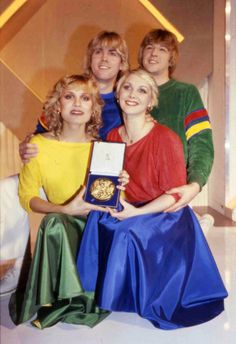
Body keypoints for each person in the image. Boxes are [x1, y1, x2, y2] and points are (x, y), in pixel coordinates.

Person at [77, 69, 228, 330]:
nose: (132, 94)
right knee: (98, 218)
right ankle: (97, 291)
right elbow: (114, 185)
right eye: (127, 88)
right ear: (117, 94)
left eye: (142, 90)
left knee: (127, 229)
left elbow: (174, 197)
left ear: (151, 102)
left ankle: (137, 295)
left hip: (167, 214)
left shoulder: (165, 139)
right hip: (134, 205)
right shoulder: (113, 136)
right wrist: (118, 191)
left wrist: (134, 213)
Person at [0, 31, 129, 296]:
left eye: (112, 53)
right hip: (56, 177)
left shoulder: (127, 101)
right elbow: (42, 136)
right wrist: (28, 144)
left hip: (101, 186)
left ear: (123, 62)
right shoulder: (70, 90)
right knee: (6, 192)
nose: (104, 58)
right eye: (98, 52)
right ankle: (13, 271)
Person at [8, 74, 128, 329]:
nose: (77, 103)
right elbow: (27, 197)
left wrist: (121, 185)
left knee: (62, 223)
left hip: (95, 225)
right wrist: (64, 209)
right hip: (63, 223)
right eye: (69, 96)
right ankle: (59, 301)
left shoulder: (103, 148)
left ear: (93, 108)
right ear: (58, 105)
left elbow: (114, 203)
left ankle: (75, 300)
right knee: (55, 223)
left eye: (85, 98)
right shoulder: (38, 145)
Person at [139, 29, 214, 212]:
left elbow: (201, 143)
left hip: (169, 190)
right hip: (134, 188)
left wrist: (195, 183)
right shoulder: (127, 91)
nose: (154, 53)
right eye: (149, 47)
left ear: (171, 58)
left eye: (162, 49)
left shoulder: (185, 93)